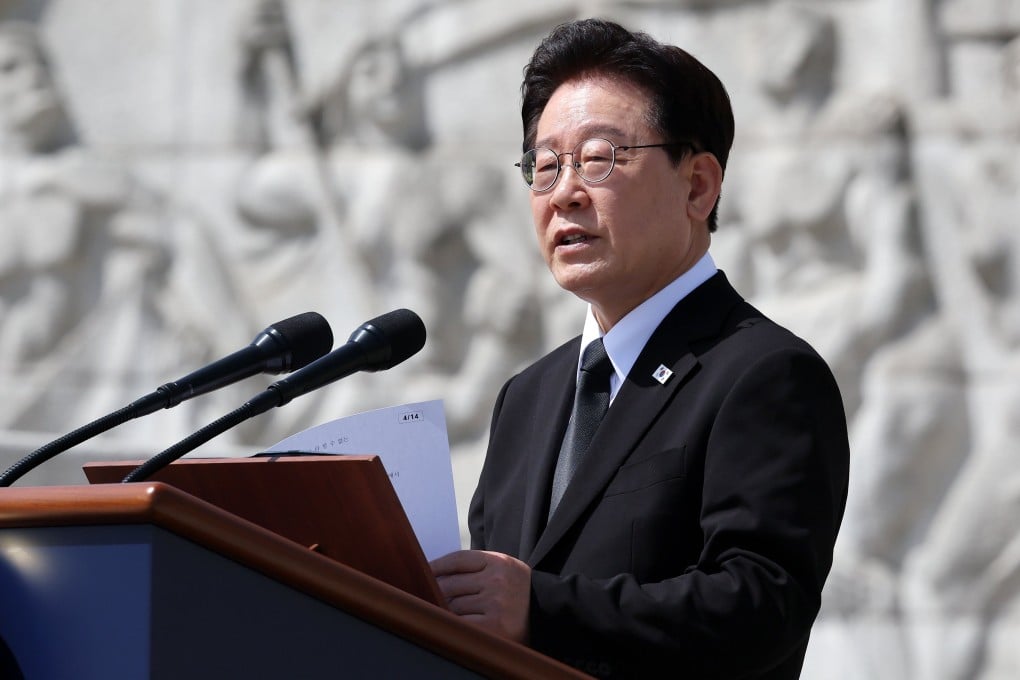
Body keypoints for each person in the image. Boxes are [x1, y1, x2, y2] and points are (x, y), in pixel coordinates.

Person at [429, 18, 850, 679]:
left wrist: (542, 607)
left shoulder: (762, 373)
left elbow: (761, 607)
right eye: (544, 167)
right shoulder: (527, 398)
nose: (565, 192)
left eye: (598, 159)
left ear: (697, 186)